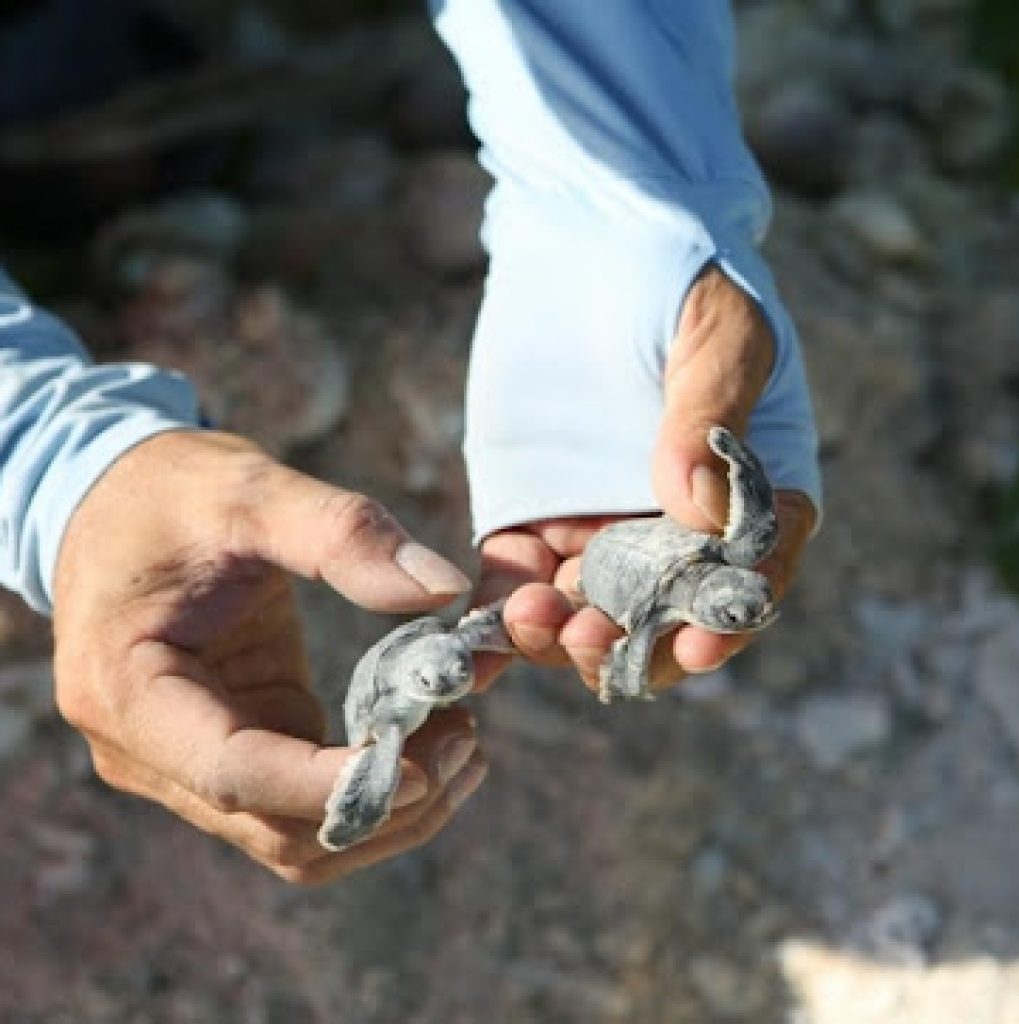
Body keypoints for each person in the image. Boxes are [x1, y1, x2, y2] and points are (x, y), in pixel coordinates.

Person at [0, 0, 820, 884]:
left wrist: (618, 182)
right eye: (742, 602)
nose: (746, 607)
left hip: (639, 562)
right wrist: (46, 457)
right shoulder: (441, 661)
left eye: (737, 606)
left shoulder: (703, 563)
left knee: (75, 94)